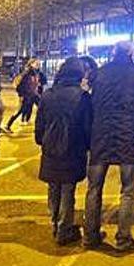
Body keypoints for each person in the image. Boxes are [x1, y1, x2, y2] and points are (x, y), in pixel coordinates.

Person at [85, 42, 134, 251]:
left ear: (113, 53)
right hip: (128, 135)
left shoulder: (100, 73)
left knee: (94, 188)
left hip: (101, 134)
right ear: (131, 54)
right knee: (128, 189)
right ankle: (123, 238)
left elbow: (91, 103)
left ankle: (90, 235)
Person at [34, 57, 92, 246]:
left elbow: (40, 123)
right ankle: (64, 228)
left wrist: (42, 139)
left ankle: (55, 222)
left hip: (50, 147)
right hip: (73, 147)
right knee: (68, 188)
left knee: (53, 186)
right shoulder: (82, 97)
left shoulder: (48, 95)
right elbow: (87, 126)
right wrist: (87, 145)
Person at [4, 59, 45, 132]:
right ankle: (8, 125)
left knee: (42, 108)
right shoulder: (26, 73)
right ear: (31, 64)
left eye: (38, 63)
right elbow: (19, 85)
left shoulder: (36, 73)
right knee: (19, 111)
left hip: (34, 95)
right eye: (36, 63)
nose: (38, 64)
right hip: (27, 95)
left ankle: (43, 126)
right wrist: (21, 95)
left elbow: (36, 82)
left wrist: (37, 86)